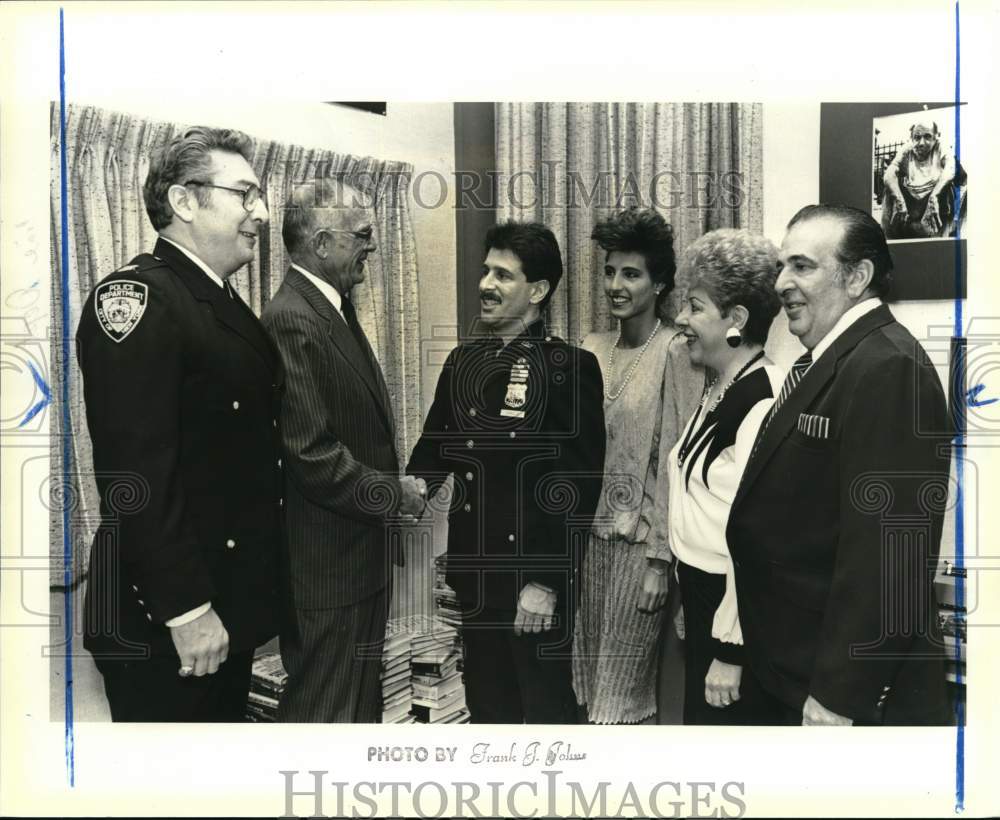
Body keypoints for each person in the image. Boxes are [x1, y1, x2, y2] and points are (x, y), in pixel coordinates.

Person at [76, 126, 283, 721]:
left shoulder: (212, 300)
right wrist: (186, 609)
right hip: (170, 623)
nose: (261, 213)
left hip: (223, 607)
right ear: (184, 201)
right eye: (245, 194)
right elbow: (135, 472)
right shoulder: (138, 298)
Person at [727, 204, 952, 726]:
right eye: (781, 266)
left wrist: (839, 695)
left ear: (857, 277)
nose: (781, 283)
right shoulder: (834, 358)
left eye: (802, 266)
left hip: (835, 690)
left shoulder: (888, 366)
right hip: (791, 666)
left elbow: (891, 556)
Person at [406, 221, 606, 724]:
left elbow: (577, 489)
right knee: (488, 714)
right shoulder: (462, 362)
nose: (485, 285)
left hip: (529, 589)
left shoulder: (568, 367)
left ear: (537, 291)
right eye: (485, 271)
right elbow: (432, 454)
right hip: (476, 582)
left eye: (503, 275)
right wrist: (402, 491)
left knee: (544, 720)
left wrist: (546, 583)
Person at [261, 178, 426, 723]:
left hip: (357, 562)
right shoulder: (293, 317)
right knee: (325, 721)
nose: (371, 245)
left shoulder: (332, 309)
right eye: (361, 235)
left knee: (357, 717)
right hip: (328, 571)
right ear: (322, 243)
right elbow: (310, 454)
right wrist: (394, 494)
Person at [570, 208, 702, 725]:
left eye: (631, 274)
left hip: (638, 548)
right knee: (585, 691)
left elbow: (677, 461)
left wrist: (659, 562)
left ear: (659, 283)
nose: (615, 286)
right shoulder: (591, 347)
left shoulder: (676, 350)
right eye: (609, 272)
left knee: (622, 701)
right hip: (585, 546)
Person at [667, 229, 783, 725]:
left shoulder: (764, 399)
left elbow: (758, 540)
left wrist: (730, 648)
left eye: (694, 306)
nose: (681, 319)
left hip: (738, 614)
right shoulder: (721, 386)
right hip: (705, 601)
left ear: (736, 319)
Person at [881, 119, 965, 239]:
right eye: (917, 137)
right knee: (889, 190)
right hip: (911, 201)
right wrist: (899, 199)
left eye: (927, 137)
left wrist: (934, 196)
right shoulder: (907, 149)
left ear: (935, 137)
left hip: (933, 199)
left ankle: (939, 238)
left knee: (947, 188)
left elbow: (950, 169)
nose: (921, 143)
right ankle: (889, 239)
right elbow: (889, 173)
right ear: (912, 138)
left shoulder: (941, 147)